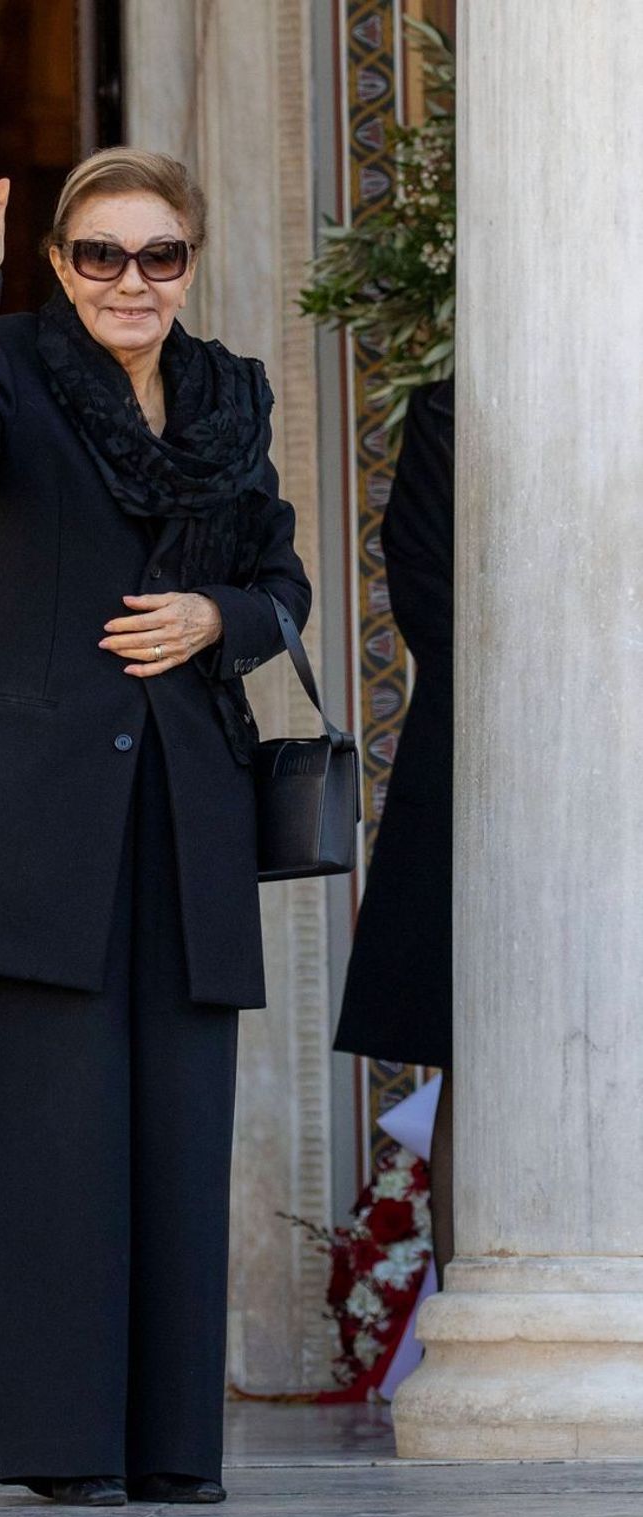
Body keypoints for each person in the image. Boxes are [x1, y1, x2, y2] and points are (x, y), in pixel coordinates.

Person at [0, 141, 311, 1506]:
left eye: (157, 254)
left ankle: (175, 1447)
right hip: (35, 819)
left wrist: (214, 617)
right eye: (100, 255)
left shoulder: (229, 394)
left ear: (190, 260)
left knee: (179, 1132)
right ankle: (69, 1448)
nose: (131, 279)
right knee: (54, 1140)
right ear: (61, 264)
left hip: (187, 806)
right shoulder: (11, 363)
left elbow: (282, 579)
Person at [332, 378, 454, 1281]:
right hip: (485, 783)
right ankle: (470, 1329)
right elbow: (434, 605)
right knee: (476, 1067)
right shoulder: (452, 414)